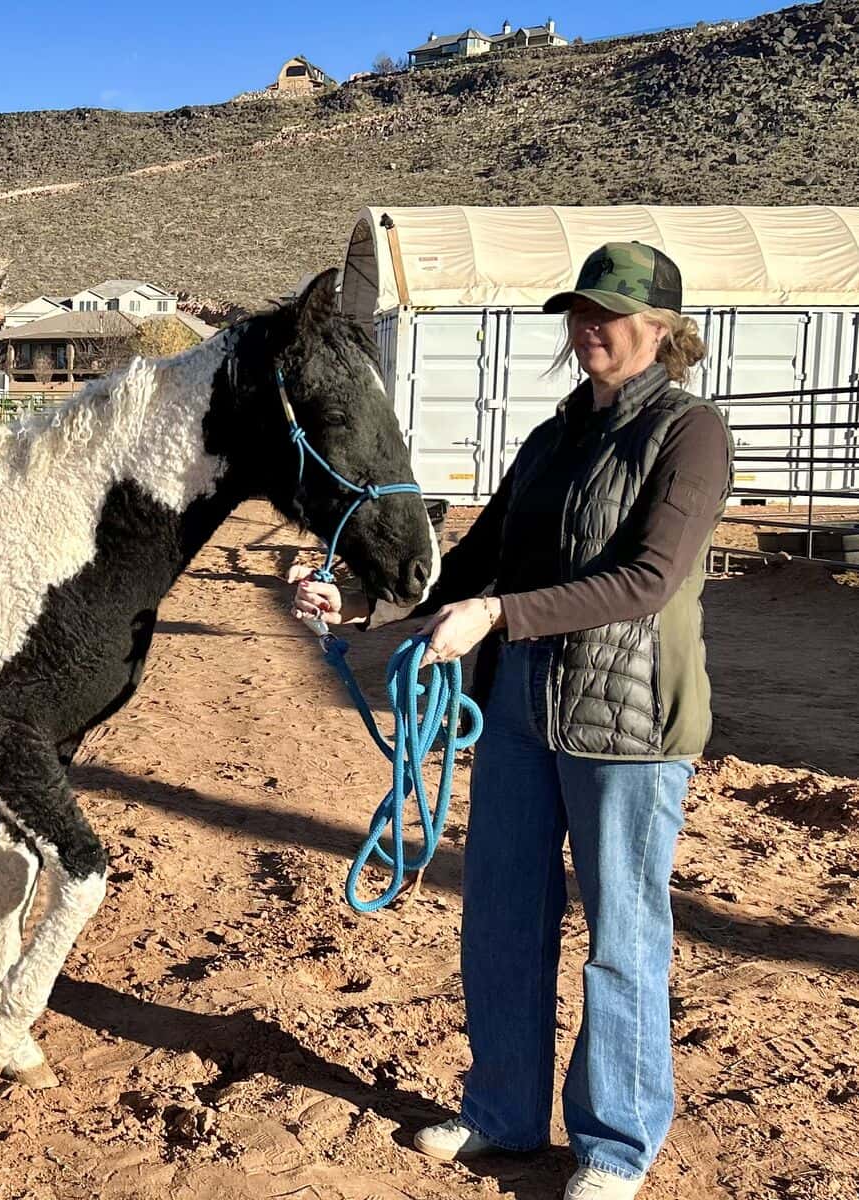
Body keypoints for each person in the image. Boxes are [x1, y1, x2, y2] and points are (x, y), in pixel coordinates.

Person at [290, 243, 732, 1200]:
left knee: (622, 935)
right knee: (500, 914)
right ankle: (502, 1111)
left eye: (609, 312)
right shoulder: (550, 437)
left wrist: (497, 615)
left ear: (661, 329)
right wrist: (363, 606)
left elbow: (648, 580)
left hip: (627, 718)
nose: (589, 328)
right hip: (521, 705)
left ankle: (615, 1145)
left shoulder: (690, 433)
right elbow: (472, 563)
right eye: (580, 311)